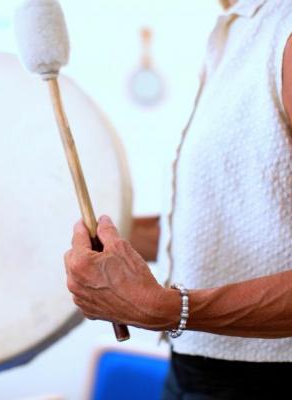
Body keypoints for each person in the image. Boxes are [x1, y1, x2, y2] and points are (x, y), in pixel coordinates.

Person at [64, 0, 292, 398]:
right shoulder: (233, 32)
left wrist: (168, 308)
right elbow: (228, 218)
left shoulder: (284, 29)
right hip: (188, 372)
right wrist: (104, 243)